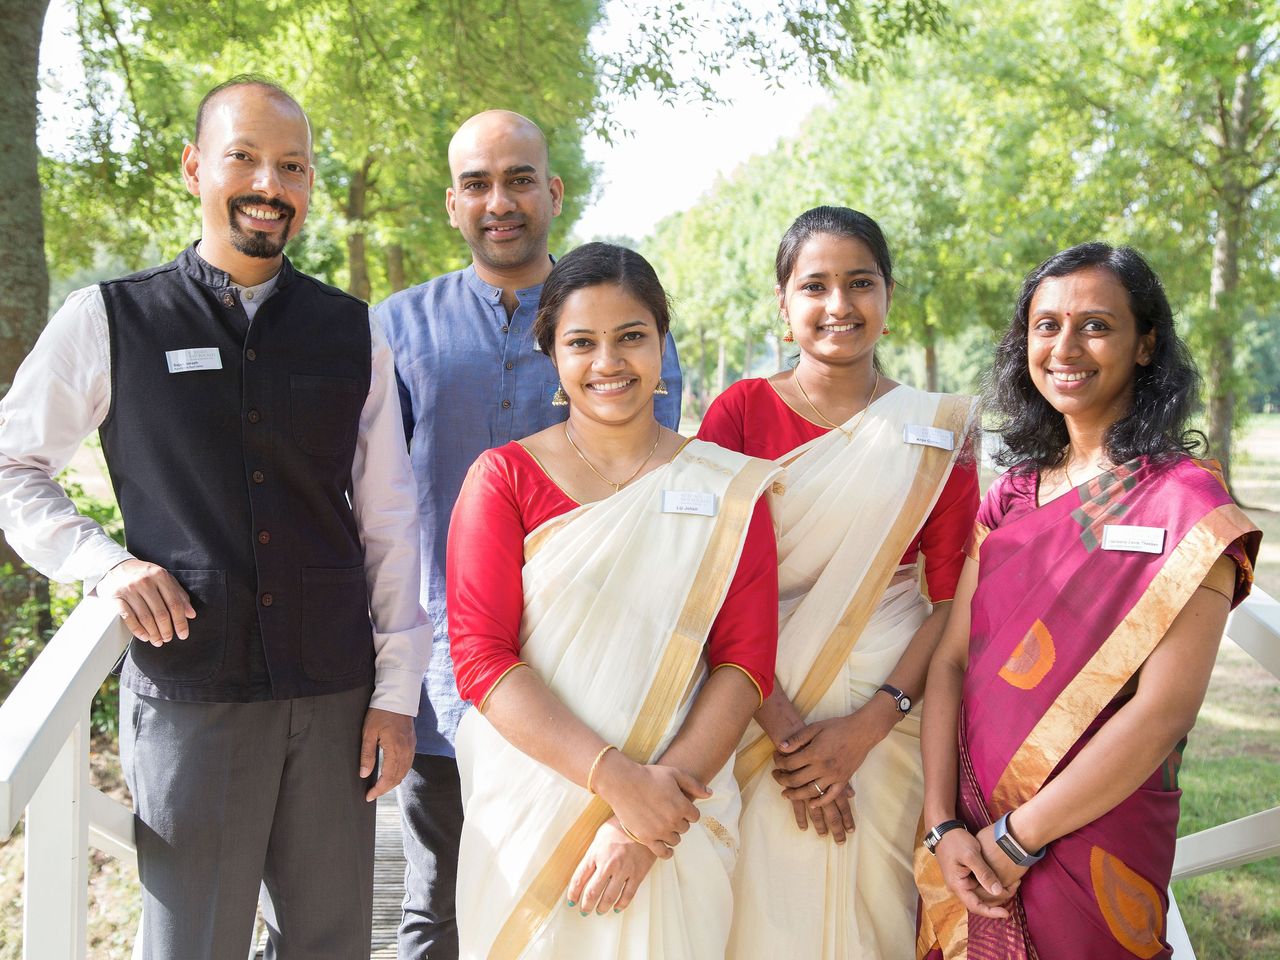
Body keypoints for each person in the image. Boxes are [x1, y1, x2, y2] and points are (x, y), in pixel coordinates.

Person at [0, 76, 429, 959]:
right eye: (244, 157)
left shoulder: (355, 333)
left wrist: (395, 698)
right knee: (191, 942)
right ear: (197, 167)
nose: (269, 183)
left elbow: (388, 521)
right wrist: (101, 563)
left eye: (293, 166)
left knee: (332, 942)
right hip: (191, 696)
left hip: (335, 694)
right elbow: (14, 466)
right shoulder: (111, 318)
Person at [374, 110, 682, 958]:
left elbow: (659, 498)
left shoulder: (616, 324)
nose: (499, 201)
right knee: (438, 905)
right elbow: (369, 504)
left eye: (518, 180)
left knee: (581, 902)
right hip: (449, 677)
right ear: (452, 203)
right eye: (477, 183)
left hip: (601, 683)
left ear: (552, 191)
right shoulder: (398, 329)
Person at [915, 243, 1260, 959]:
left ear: (1146, 344)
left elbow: (1165, 710)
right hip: (969, 826)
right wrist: (941, 822)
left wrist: (1021, 837)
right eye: (1046, 326)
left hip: (1093, 828)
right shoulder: (1010, 495)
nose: (1065, 347)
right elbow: (949, 661)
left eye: (1096, 325)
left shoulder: (1187, 504)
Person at [446, 242, 779, 959]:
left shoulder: (728, 486)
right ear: (552, 354)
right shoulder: (502, 479)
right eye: (582, 342)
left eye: (631, 337)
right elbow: (479, 658)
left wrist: (644, 821)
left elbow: (745, 664)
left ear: (662, 343)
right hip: (534, 807)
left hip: (675, 815)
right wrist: (617, 783)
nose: (609, 362)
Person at [696, 205, 979, 958]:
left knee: (878, 916)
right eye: (814, 286)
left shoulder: (940, 430)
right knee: (756, 918)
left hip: (890, 718)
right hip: (754, 710)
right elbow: (706, 581)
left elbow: (954, 604)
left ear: (888, 297)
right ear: (784, 309)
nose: (838, 305)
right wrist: (790, 738)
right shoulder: (742, 412)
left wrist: (868, 726)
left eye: (860, 283)